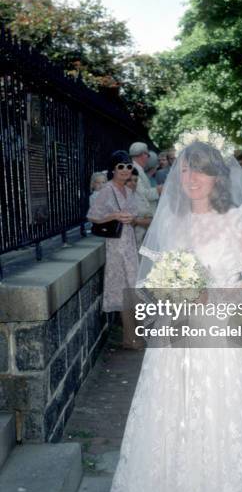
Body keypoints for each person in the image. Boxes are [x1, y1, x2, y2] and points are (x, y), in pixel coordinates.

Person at [105, 138, 242, 492]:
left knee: (224, 433)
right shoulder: (171, 222)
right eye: (184, 168)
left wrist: (212, 295)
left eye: (200, 169)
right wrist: (170, 291)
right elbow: (151, 283)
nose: (190, 177)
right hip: (174, 346)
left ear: (217, 175)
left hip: (225, 344)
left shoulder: (241, 219)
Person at [87, 150, 143, 350]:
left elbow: (135, 216)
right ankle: (130, 338)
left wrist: (131, 219)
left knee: (132, 291)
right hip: (115, 246)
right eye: (121, 166)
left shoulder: (128, 191)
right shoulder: (107, 190)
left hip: (129, 244)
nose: (125, 170)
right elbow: (93, 216)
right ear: (113, 169)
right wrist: (114, 216)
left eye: (129, 166)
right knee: (123, 292)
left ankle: (131, 336)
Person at [129, 142, 162, 214]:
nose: (148, 157)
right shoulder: (135, 170)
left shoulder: (137, 169)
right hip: (141, 215)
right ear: (143, 155)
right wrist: (158, 190)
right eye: (148, 155)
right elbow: (142, 194)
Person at [126, 168, 153, 249]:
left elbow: (151, 220)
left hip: (142, 242)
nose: (133, 183)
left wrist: (137, 221)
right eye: (129, 180)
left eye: (135, 180)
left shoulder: (139, 195)